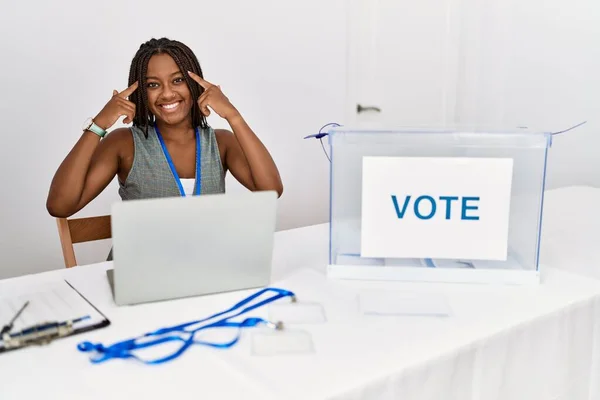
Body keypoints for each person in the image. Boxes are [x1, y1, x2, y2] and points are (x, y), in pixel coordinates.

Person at [46, 37, 283, 221]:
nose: (167, 93)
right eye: (153, 84)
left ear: (195, 84)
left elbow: (271, 190)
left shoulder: (221, 143)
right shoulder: (124, 144)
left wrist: (233, 115)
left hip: (205, 272)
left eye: (178, 80)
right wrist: (99, 125)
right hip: (140, 276)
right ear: (140, 93)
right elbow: (60, 206)